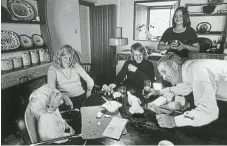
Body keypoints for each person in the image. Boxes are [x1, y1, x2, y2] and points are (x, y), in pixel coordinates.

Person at [146, 52, 227, 128]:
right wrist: (159, 92)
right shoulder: (188, 68)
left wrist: (174, 121)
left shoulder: (196, 70)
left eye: (164, 72)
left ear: (174, 65)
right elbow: (183, 88)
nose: (163, 77)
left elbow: (209, 112)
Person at [48, 45, 94, 109]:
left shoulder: (76, 66)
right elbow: (51, 88)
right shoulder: (53, 69)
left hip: (80, 96)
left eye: (70, 57)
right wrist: (63, 96)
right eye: (65, 57)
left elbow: (90, 81)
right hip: (63, 99)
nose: (68, 60)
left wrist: (88, 92)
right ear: (60, 57)